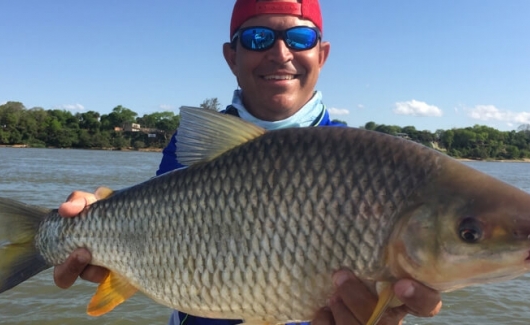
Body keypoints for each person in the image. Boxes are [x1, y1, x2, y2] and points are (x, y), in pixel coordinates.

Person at [53, 0, 443, 324]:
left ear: (321, 55)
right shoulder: (193, 143)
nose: (280, 54)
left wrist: (387, 314)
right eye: (258, 39)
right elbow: (153, 221)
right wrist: (91, 223)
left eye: (300, 38)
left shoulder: (366, 160)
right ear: (231, 57)